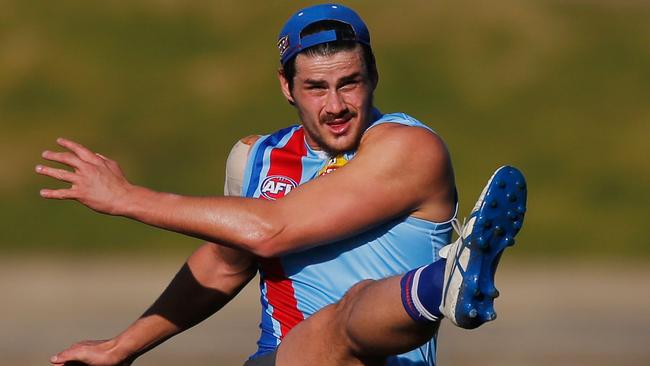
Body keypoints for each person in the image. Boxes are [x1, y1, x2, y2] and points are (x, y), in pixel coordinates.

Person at [37, 4, 527, 366]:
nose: (335, 105)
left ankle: (445, 283)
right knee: (319, 331)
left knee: (348, 312)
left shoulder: (410, 149)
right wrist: (121, 347)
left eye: (349, 83)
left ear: (374, 76)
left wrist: (129, 198)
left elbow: (269, 231)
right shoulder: (256, 159)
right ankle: (443, 281)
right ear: (286, 87)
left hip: (382, 358)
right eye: (315, 87)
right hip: (282, 359)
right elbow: (226, 263)